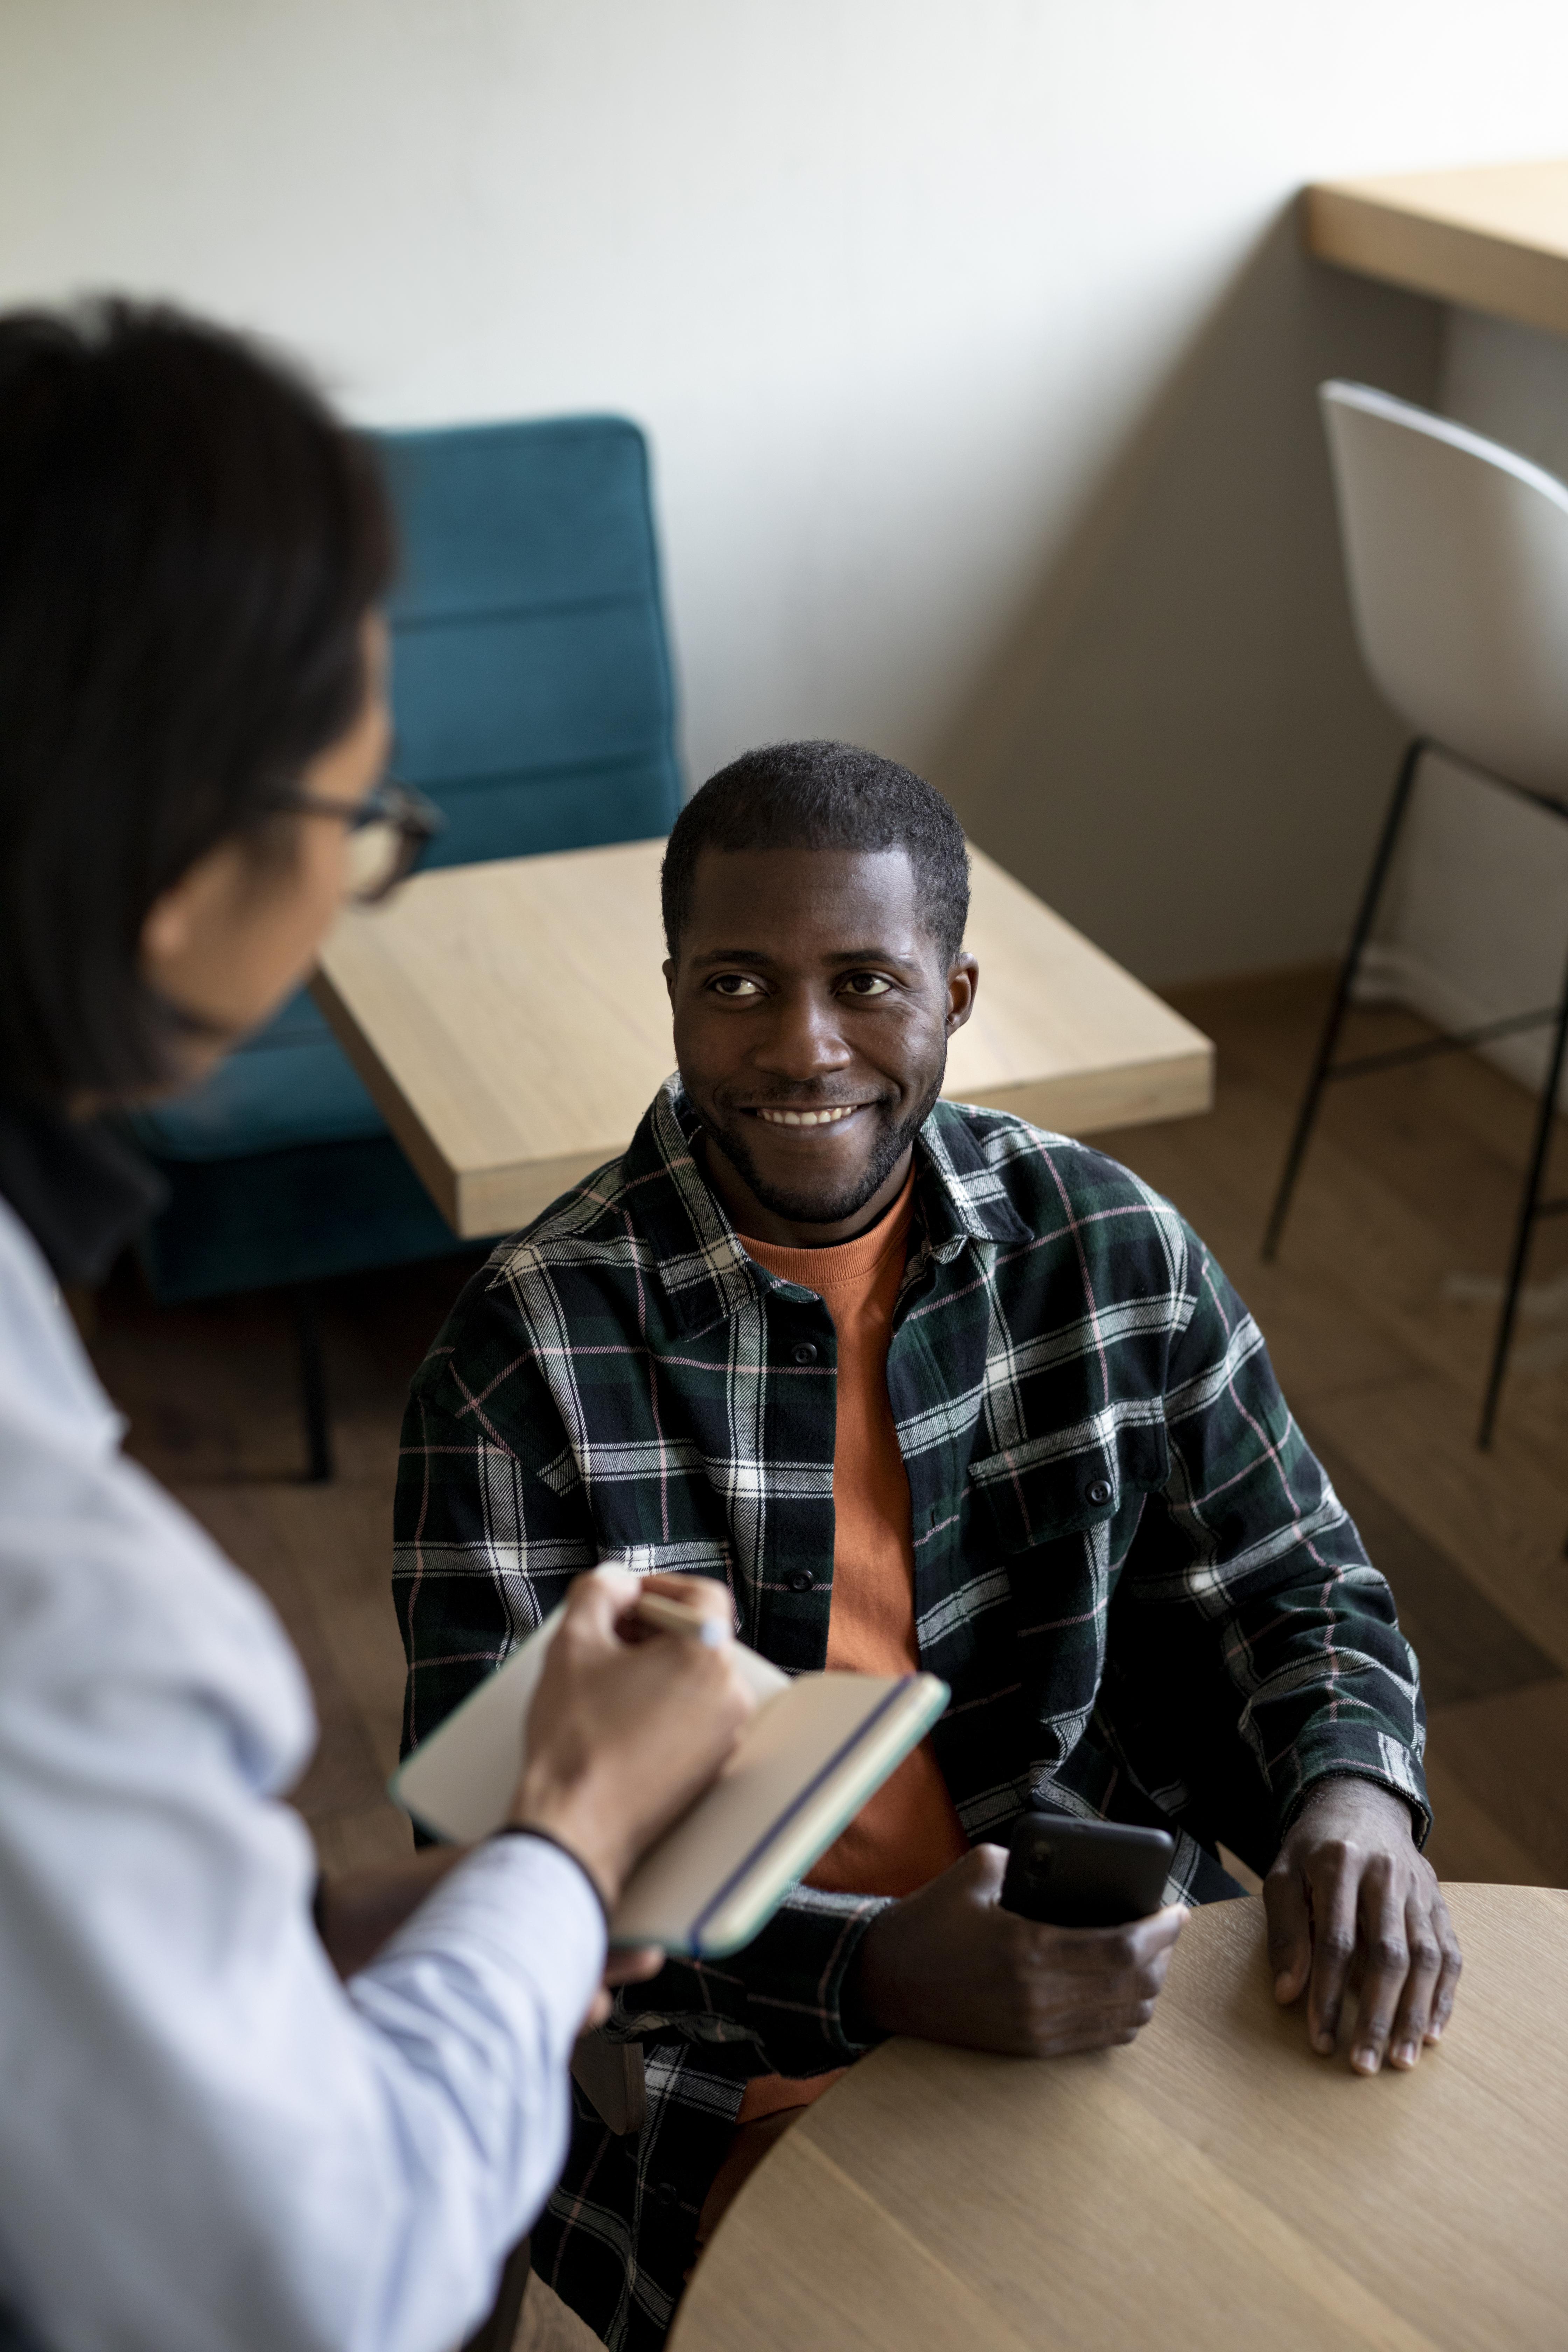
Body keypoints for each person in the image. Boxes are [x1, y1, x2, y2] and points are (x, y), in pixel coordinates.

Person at [396, 740, 1463, 2351]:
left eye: (865, 983)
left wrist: (1353, 1797)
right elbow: (491, 1876)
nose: (801, 1045)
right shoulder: (524, 1360)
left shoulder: (1109, 1247)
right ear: (674, 991)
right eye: (739, 984)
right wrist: (878, 1973)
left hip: (1122, 1990)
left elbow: (1294, 1589)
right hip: (722, 2069)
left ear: (955, 995)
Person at [0, 300, 759, 2352]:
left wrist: (330, 1933)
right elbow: (325, 2279)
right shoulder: (58, 1613)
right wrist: (575, 1832)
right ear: (181, 890)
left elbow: (69, 1981)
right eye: (362, 834)